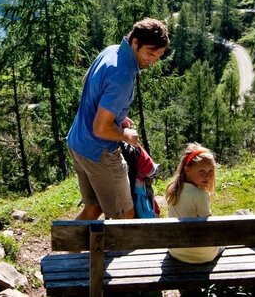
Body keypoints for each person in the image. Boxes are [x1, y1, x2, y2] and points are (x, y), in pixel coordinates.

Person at [67, 18, 170, 220]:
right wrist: (125, 135)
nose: (153, 60)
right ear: (135, 43)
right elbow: (100, 128)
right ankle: (112, 252)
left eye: (158, 55)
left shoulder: (112, 51)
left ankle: (67, 248)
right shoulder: (123, 74)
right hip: (99, 152)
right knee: (125, 215)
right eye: (150, 53)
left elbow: (94, 93)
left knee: (93, 209)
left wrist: (118, 116)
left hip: (78, 143)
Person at [164, 143, 221, 263]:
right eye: (202, 171)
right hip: (202, 255)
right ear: (187, 170)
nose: (207, 176)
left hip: (176, 251)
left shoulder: (173, 190)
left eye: (211, 170)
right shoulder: (200, 195)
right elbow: (207, 228)